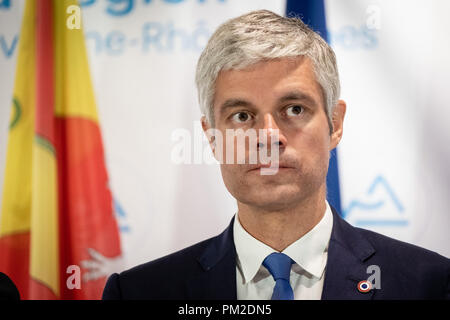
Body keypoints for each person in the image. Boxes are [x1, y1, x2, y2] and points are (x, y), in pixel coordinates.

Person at [102, 10, 450, 300]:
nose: (268, 136)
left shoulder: (430, 284)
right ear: (212, 138)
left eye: (294, 109)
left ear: (335, 123)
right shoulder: (138, 293)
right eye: (241, 116)